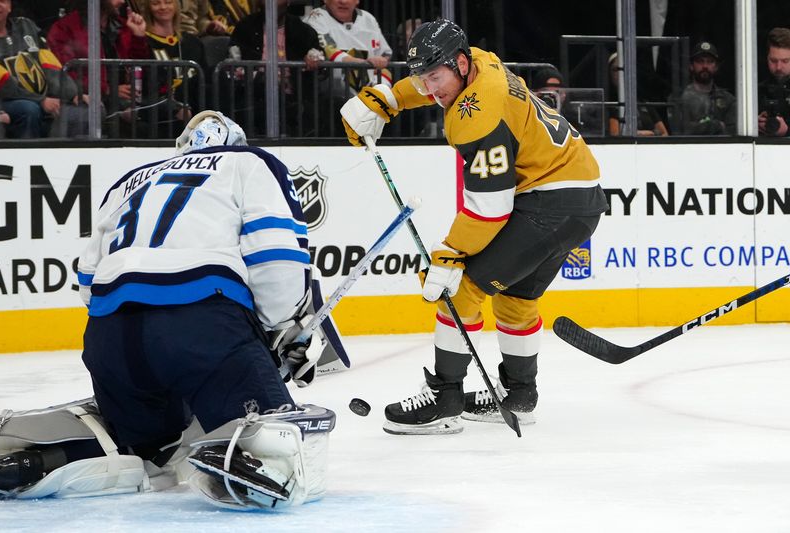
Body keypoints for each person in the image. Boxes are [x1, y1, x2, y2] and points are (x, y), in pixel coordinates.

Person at [0, 111, 335, 510]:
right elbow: (276, 254)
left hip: (111, 335)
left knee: (146, 447)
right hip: (202, 324)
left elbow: (88, 278)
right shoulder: (250, 162)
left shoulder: (129, 181)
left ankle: (45, 457)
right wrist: (280, 328)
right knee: (275, 446)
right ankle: (240, 453)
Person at [340, 19, 608, 435]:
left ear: (460, 63)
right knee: (515, 297)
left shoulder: (479, 115)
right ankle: (520, 397)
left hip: (550, 202)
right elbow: (431, 82)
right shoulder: (479, 62)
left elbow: (489, 210)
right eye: (421, 79)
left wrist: (449, 254)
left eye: (436, 77)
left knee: (461, 287)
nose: (430, 89)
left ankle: (444, 400)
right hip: (578, 197)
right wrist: (387, 98)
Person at [47, 0, 150, 127]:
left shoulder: (123, 25)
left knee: (160, 111)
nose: (122, 1)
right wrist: (107, 89)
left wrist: (138, 36)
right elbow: (66, 72)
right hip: (89, 102)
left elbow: (140, 66)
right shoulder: (65, 27)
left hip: (128, 99)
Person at [229, 0, 323, 136]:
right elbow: (233, 64)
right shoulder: (245, 27)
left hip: (294, 99)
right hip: (253, 96)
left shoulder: (303, 31)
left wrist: (314, 58)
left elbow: (319, 60)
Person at [0, 0, 81, 138]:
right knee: (29, 109)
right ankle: (27, 157)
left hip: (38, 98)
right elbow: (2, 84)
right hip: (0, 101)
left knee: (85, 109)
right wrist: (40, 100)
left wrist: (72, 93)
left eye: (2, 1)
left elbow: (49, 63)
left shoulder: (26, 26)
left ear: (9, 6)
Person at [303, 0, 392, 130]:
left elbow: (385, 54)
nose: (343, 1)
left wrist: (382, 62)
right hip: (331, 100)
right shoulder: (316, 16)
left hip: (370, 99)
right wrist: (359, 63)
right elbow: (326, 48)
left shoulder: (368, 19)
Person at [140, 0, 206, 135]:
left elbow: (204, 79)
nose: (163, 7)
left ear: (176, 6)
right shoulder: (143, 42)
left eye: (168, 2)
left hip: (194, 102)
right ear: (148, 8)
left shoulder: (192, 42)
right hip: (162, 107)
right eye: (156, 3)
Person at [669, 41, 735, 135]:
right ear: (691, 66)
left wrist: (696, 126)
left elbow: (731, 134)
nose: (705, 66)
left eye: (710, 61)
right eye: (700, 61)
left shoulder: (728, 100)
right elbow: (679, 131)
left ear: (716, 67)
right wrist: (717, 125)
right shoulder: (677, 98)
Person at [607, 52, 669, 137]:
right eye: (616, 69)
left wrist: (652, 134)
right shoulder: (609, 105)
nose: (621, 73)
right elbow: (615, 135)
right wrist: (642, 134)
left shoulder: (643, 102)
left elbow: (664, 134)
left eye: (625, 68)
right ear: (609, 74)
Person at [758, 27, 790, 137]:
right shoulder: (756, 91)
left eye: (785, 61)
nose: (779, 67)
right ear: (766, 58)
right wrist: (752, 124)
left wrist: (787, 131)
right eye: (773, 61)